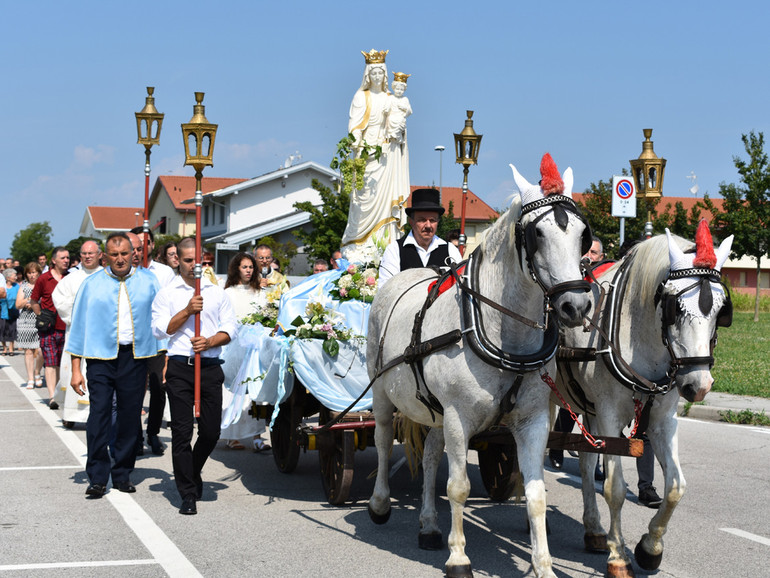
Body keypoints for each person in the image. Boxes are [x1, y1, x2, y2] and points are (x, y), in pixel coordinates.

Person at [67, 233, 162, 498]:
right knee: (98, 416)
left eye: (124, 253)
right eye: (114, 254)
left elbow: (160, 320)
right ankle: (97, 476)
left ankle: (122, 473)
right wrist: (76, 369)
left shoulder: (149, 282)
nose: (119, 259)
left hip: (135, 357)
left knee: (130, 417)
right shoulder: (91, 284)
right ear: (105, 256)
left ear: (134, 253)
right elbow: (78, 327)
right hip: (99, 358)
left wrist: (162, 360)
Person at [151, 237, 237, 515]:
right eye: (186, 261)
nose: (192, 266)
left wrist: (210, 341)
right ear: (177, 260)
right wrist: (188, 311)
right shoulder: (167, 293)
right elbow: (161, 329)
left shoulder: (217, 292)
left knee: (211, 432)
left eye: (196, 261)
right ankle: (187, 493)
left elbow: (230, 329)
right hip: (179, 367)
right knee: (181, 433)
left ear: (203, 260)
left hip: (210, 367)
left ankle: (192, 469)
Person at [341, 49, 408, 256]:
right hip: (367, 153)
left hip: (387, 154)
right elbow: (355, 126)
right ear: (367, 75)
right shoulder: (361, 96)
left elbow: (400, 122)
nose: (377, 77)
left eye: (380, 73)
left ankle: (384, 244)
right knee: (363, 198)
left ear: (385, 75)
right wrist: (357, 143)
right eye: (373, 73)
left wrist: (398, 131)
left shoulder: (391, 97)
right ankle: (359, 243)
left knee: (386, 199)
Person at [129, 228, 176, 455]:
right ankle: (135, 436)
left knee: (159, 387)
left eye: (144, 245)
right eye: (135, 246)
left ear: (151, 245)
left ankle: (153, 433)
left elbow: (170, 306)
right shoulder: (123, 272)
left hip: (157, 340)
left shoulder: (164, 273)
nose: (139, 251)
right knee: (133, 390)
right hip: (132, 340)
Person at [222, 252, 271, 452]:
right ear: (236, 269)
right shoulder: (229, 293)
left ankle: (257, 437)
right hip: (235, 346)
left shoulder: (260, 292)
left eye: (251, 267)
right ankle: (232, 436)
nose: (248, 270)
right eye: (244, 267)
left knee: (255, 391)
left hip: (255, 347)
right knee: (235, 392)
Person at [52, 240, 103, 425]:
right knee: (72, 372)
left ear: (100, 255)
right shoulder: (71, 278)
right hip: (76, 334)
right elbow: (59, 300)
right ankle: (71, 415)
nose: (88, 257)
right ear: (80, 256)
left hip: (100, 336)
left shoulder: (107, 276)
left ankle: (96, 416)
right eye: (84, 254)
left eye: (91, 253)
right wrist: (81, 311)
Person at [378, 188, 462, 287]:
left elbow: (460, 289)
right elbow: (385, 291)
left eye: (432, 220)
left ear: (438, 222)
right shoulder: (395, 250)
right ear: (411, 222)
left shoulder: (451, 251)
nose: (428, 225)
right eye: (422, 220)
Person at [30, 246, 69, 408]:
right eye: (63, 258)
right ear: (54, 260)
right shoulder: (43, 279)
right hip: (49, 328)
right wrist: (41, 316)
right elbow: (33, 301)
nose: (66, 260)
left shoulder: (71, 278)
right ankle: (52, 396)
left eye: (67, 258)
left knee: (62, 362)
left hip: (67, 326)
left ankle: (61, 393)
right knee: (51, 362)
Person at [14, 262, 44, 388]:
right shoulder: (23, 287)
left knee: (41, 350)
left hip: (40, 319)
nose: (32, 275)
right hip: (26, 320)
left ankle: (37, 372)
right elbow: (18, 304)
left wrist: (36, 304)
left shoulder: (43, 285)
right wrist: (28, 299)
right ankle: (30, 378)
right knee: (28, 351)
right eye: (29, 273)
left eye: (34, 272)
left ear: (38, 273)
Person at [1, 269, 21, 356]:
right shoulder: (2, 286)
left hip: (13, 311)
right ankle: (4, 348)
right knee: (2, 330)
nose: (16, 277)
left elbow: (20, 296)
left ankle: (11, 348)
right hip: (3, 311)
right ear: (8, 277)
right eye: (14, 275)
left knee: (12, 330)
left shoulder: (16, 286)